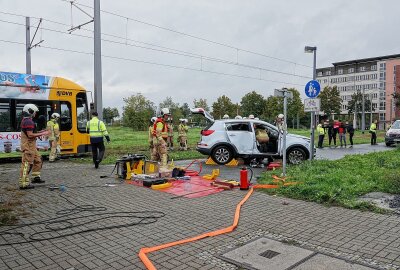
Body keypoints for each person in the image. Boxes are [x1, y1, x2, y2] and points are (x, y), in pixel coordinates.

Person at [19, 104, 49, 189]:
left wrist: (41, 131)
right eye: (35, 112)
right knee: (26, 164)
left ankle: (36, 177)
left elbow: (31, 132)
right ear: (30, 111)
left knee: (38, 160)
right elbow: (30, 135)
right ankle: (23, 183)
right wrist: (43, 133)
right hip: (28, 146)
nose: (35, 113)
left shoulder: (27, 120)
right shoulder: (28, 121)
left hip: (32, 146)